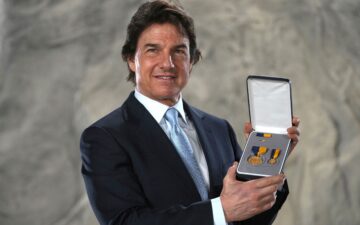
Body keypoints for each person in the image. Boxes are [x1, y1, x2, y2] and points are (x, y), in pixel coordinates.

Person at [80, 1, 300, 225]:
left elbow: (247, 219)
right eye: (152, 50)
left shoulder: (219, 129)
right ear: (131, 60)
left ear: (192, 61)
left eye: (178, 51)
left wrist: (269, 165)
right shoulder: (104, 138)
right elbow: (124, 222)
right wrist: (220, 211)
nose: (167, 63)